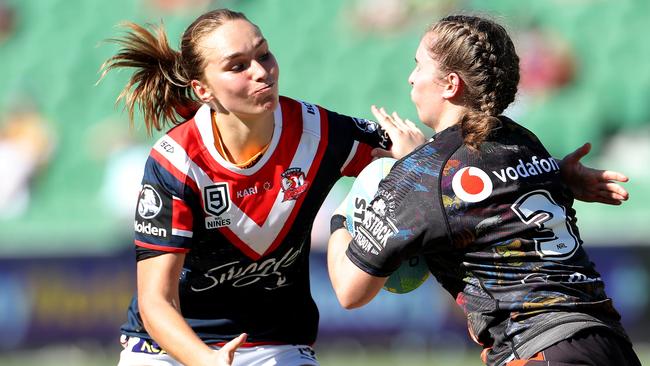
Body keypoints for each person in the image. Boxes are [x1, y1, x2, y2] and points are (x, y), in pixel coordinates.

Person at [99, 8, 630, 366]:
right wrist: (208, 361)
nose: (261, 72)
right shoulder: (176, 161)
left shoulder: (321, 134)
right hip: (168, 349)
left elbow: (444, 165)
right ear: (201, 89)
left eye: (264, 54)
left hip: (276, 341)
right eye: (238, 66)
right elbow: (156, 301)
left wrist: (354, 200)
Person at [327, 14, 640, 366]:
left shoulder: (423, 174)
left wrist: (349, 206)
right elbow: (474, 187)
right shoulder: (522, 140)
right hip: (610, 343)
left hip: (539, 349)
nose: (411, 77)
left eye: (418, 65)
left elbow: (349, 291)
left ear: (450, 84)